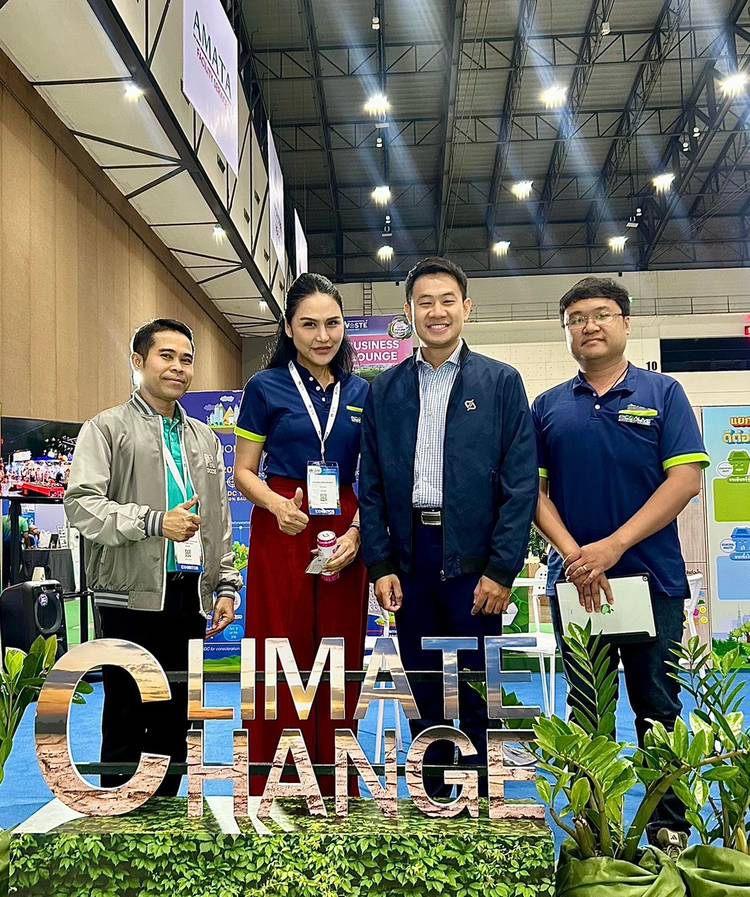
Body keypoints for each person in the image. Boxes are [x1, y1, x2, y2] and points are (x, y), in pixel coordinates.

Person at [532, 276, 710, 850]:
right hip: (577, 584)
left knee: (657, 705)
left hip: (651, 580)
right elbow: (534, 494)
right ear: (567, 332)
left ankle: (668, 829)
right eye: (576, 319)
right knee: (588, 708)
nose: (589, 326)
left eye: (602, 314)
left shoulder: (663, 393)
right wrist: (576, 556)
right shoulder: (548, 406)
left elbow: (684, 481)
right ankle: (596, 828)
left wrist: (611, 546)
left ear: (626, 323)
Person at [359, 256, 538, 796]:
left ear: (467, 308)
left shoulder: (501, 382)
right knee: (423, 685)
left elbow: (520, 485)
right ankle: (434, 793)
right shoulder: (384, 389)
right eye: (424, 303)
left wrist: (501, 570)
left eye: (447, 301)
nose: (436, 312)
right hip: (411, 556)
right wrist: (380, 564)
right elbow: (371, 485)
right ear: (408, 311)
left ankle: (484, 795)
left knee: (480, 687)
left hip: (475, 560)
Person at [64, 318, 241, 795]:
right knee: (126, 712)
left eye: (186, 359)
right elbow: (81, 505)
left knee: (179, 715)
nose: (178, 367)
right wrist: (153, 522)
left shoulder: (204, 438)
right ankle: (120, 815)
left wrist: (226, 584)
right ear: (138, 361)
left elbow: (219, 520)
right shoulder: (106, 428)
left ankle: (165, 816)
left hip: (189, 595)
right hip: (128, 597)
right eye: (167, 356)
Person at [233, 273, 370, 795]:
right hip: (282, 520)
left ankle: (336, 778)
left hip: (346, 523)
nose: (322, 336)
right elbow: (244, 471)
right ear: (289, 329)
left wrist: (357, 531)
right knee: (278, 645)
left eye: (333, 323)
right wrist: (273, 505)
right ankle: (275, 780)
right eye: (309, 324)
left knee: (339, 648)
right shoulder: (264, 387)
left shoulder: (362, 391)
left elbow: (375, 476)